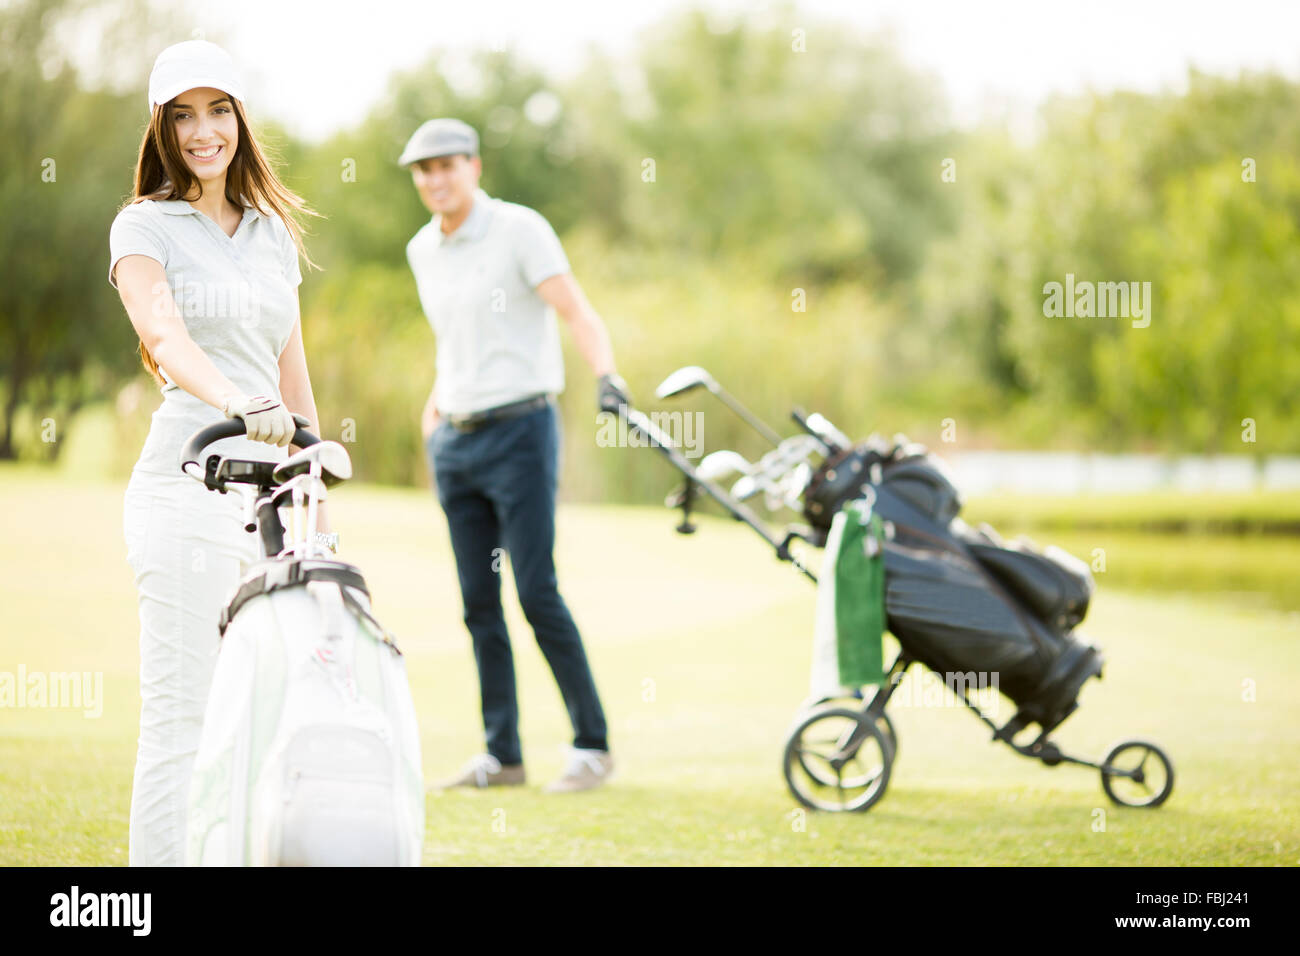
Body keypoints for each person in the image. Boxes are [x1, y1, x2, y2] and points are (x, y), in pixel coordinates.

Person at [109, 40, 330, 865]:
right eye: (183, 115)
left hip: (268, 509)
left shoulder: (272, 233)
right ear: (162, 130)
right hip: (183, 492)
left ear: (240, 118)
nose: (204, 131)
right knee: (183, 720)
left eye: (219, 110)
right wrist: (239, 403)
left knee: (258, 720)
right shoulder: (142, 225)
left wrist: (316, 498)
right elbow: (162, 333)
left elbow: (292, 374)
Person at [402, 118, 629, 793]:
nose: (435, 179)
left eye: (447, 165)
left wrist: (608, 375)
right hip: (456, 441)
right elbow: (455, 339)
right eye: (423, 170)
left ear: (475, 165)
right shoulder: (421, 249)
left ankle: (592, 745)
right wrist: (436, 405)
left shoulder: (519, 230)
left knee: (535, 591)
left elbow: (577, 312)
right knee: (478, 603)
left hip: (523, 434)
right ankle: (503, 756)